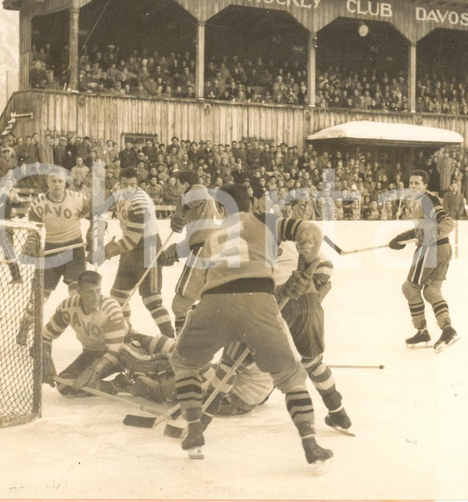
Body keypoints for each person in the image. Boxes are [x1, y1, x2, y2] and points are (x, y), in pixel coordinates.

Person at [169, 183, 333, 465]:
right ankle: (310, 443)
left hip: (213, 303)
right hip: (257, 302)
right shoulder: (265, 220)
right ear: (253, 201)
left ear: (221, 209)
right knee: (291, 377)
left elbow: (191, 291)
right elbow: (311, 233)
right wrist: (304, 270)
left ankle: (194, 429)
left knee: (184, 364)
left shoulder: (212, 236)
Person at [203, 241, 352, 434]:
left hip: (267, 302)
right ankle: (339, 414)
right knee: (313, 363)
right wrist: (311, 290)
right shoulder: (294, 237)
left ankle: (199, 421)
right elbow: (325, 267)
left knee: (230, 363)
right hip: (308, 301)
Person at [40, 270, 174, 397]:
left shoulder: (110, 307)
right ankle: (119, 385)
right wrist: (46, 358)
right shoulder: (67, 307)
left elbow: (115, 350)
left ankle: (158, 376)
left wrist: (94, 370)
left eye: (98, 291)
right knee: (65, 386)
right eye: (90, 293)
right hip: (93, 354)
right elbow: (45, 336)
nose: (95, 297)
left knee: (169, 349)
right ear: (79, 291)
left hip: (125, 347)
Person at [95, 167, 175, 338]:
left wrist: (106, 252)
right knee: (118, 296)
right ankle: (126, 335)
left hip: (148, 248)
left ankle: (170, 337)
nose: (128, 189)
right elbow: (103, 205)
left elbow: (132, 240)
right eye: (125, 184)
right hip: (129, 249)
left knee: (151, 299)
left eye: (133, 185)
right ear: (120, 182)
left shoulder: (140, 202)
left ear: (138, 184)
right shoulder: (118, 189)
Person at [16, 167, 90, 345]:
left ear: (65, 183)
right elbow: (34, 231)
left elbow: (96, 217)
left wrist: (95, 234)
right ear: (47, 183)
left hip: (75, 250)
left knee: (77, 296)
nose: (57, 184)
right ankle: (25, 326)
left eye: (60, 181)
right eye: (53, 181)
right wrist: (31, 243)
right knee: (40, 297)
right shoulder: (38, 204)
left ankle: (87, 336)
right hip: (49, 252)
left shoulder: (78, 199)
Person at [388, 169, 459, 352]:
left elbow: (448, 223)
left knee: (410, 287)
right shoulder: (421, 201)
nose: (413, 186)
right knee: (431, 290)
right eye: (411, 183)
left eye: (417, 183)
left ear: (425, 185)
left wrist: (429, 236)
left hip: (432, 249)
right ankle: (447, 329)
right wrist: (401, 238)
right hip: (443, 249)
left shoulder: (427, 200)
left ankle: (422, 331)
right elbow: (422, 229)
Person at [158, 170, 220, 331]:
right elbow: (195, 239)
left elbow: (198, 193)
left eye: (177, 184)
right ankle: (194, 338)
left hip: (204, 253)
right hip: (208, 251)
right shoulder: (199, 208)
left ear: (186, 184)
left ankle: (185, 346)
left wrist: (180, 210)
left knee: (180, 305)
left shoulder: (198, 190)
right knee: (195, 304)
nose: (175, 188)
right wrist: (175, 251)